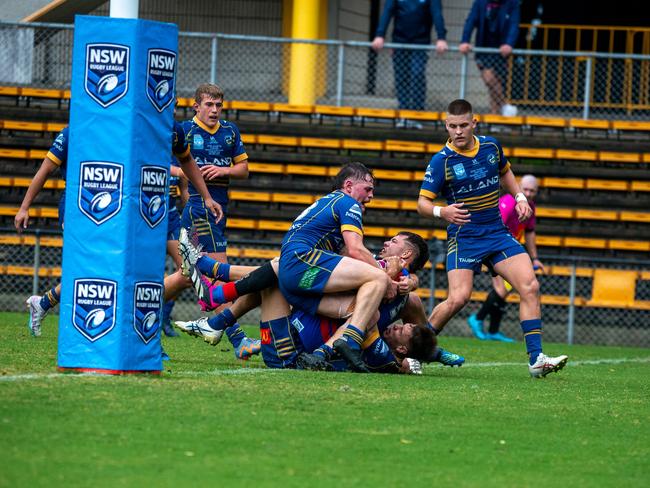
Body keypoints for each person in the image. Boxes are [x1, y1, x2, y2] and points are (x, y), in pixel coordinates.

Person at [16, 122, 222, 338]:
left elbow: (185, 165)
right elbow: (45, 169)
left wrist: (205, 198)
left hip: (159, 213)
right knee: (92, 270)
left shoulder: (162, 129)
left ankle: (146, 315)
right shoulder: (81, 130)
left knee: (188, 272)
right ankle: (49, 304)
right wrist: (24, 207)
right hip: (83, 207)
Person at [416, 99, 567, 378]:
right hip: (466, 237)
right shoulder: (442, 161)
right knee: (459, 298)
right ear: (446, 125)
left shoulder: (491, 146)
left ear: (475, 123)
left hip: (496, 233)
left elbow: (505, 171)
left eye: (463, 125)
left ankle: (536, 359)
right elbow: (422, 203)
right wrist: (442, 211)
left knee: (530, 286)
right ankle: (415, 352)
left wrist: (520, 196)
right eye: (452, 126)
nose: (458, 131)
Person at [176, 230, 464, 369]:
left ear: (405, 256)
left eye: (395, 242)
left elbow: (406, 339)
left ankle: (215, 288)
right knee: (283, 268)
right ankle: (215, 287)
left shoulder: (397, 302)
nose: (387, 242)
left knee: (281, 270)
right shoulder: (374, 271)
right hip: (300, 318)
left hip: (289, 348)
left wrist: (412, 360)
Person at [171, 82, 260, 358]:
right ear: (196, 106)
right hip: (200, 207)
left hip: (217, 208)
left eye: (218, 105)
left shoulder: (230, 132)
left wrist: (222, 170)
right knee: (218, 272)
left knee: (189, 276)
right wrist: (187, 174)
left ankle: (133, 308)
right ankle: (237, 338)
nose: (215, 110)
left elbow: (244, 169)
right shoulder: (185, 130)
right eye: (209, 105)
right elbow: (163, 162)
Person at [468, 174, 544, 342]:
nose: (529, 193)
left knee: (505, 290)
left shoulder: (530, 205)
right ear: (519, 187)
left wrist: (535, 258)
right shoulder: (509, 202)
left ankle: (493, 330)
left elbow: (530, 232)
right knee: (502, 289)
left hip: (508, 251)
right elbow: (493, 227)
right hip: (494, 249)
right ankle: (478, 319)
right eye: (526, 190)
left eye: (533, 190)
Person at [371, 0, 448, 128]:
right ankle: (404, 114)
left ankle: (417, 115)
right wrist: (380, 35)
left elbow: (437, 14)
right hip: (399, 42)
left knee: (417, 74)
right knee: (401, 78)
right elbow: (387, 12)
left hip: (420, 43)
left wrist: (441, 37)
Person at [459, 0, 520, 116]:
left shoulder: (512, 3)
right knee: (489, 79)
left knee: (497, 83)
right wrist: (465, 40)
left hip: (502, 49)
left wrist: (509, 43)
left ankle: (494, 116)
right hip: (483, 48)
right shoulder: (480, 3)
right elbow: (471, 21)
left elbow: (513, 24)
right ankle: (504, 106)